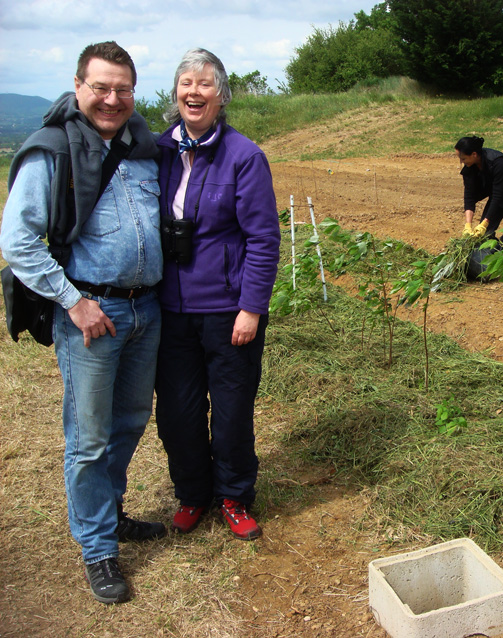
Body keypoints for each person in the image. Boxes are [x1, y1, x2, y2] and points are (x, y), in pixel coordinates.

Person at [0, 42, 165, 605]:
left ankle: (109, 513)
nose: (112, 99)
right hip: (92, 315)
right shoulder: (51, 150)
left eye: (123, 89)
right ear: (78, 87)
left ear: (134, 92)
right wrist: (73, 300)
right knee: (89, 438)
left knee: (129, 421)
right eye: (101, 87)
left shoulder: (143, 149)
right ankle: (97, 548)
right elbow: (17, 240)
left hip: (147, 310)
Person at [154, 49, 280, 541]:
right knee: (177, 414)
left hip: (229, 312)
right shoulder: (157, 151)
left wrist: (251, 308)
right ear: (176, 93)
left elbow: (263, 239)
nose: (194, 92)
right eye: (186, 82)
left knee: (231, 413)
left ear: (222, 97)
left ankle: (233, 495)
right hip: (169, 310)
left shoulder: (244, 156)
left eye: (205, 84)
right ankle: (192, 493)